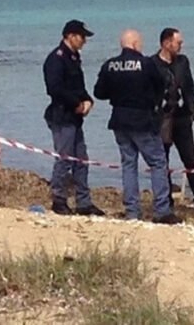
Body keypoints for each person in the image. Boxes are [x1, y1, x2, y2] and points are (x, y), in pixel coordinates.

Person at [94, 29, 183, 225]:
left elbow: (99, 92)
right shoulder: (146, 64)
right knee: (158, 162)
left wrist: (118, 94)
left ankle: (132, 211)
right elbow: (161, 85)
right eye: (140, 43)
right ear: (134, 44)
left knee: (128, 165)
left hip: (119, 119)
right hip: (142, 119)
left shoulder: (110, 65)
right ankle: (162, 210)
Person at [42, 20, 104, 216]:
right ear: (70, 35)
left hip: (75, 118)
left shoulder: (74, 57)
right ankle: (59, 200)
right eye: (81, 36)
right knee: (64, 159)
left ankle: (83, 202)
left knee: (81, 160)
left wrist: (87, 100)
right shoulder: (56, 59)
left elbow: (79, 86)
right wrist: (76, 104)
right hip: (62, 116)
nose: (84, 41)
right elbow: (55, 88)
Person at [151, 28, 194, 216]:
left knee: (191, 160)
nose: (180, 46)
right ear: (166, 43)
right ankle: (165, 201)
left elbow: (189, 86)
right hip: (162, 118)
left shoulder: (182, 62)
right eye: (177, 42)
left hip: (181, 117)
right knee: (162, 161)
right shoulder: (152, 64)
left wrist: (191, 110)